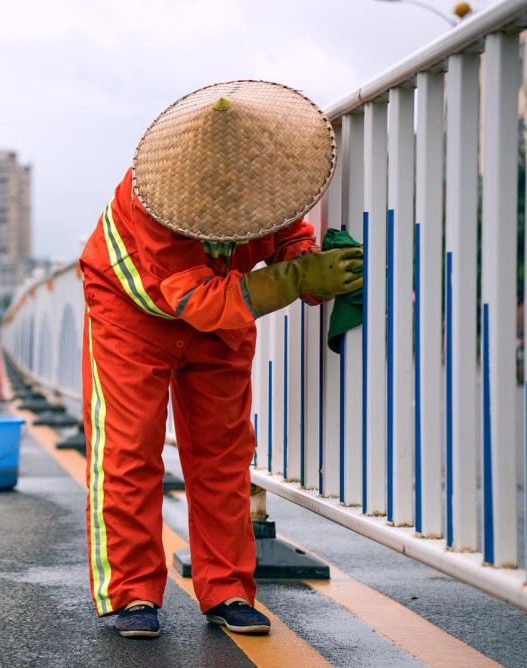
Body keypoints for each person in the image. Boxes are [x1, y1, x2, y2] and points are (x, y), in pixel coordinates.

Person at [78, 81, 363, 639]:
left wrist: (308, 263)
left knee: (223, 451)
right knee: (130, 448)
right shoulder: (153, 199)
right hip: (132, 312)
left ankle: (228, 588)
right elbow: (196, 301)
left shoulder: (271, 177)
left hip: (222, 307)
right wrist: (295, 280)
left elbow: (288, 238)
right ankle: (132, 594)